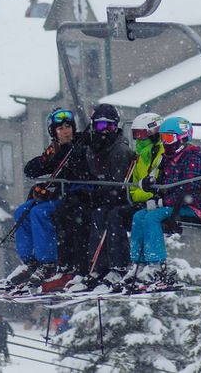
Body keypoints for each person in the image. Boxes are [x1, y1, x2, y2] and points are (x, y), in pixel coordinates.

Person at [0, 108, 86, 290]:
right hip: (57, 194)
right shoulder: (56, 150)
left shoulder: (79, 146)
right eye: (60, 129)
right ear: (54, 132)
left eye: (68, 127)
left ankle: (48, 262)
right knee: (22, 211)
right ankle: (29, 261)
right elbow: (31, 170)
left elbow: (74, 173)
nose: (66, 131)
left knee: (39, 212)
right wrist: (45, 160)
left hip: (73, 197)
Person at [126, 116, 201, 286]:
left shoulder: (194, 157)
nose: (166, 142)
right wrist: (150, 187)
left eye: (169, 138)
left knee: (151, 217)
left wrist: (163, 202)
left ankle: (157, 265)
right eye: (163, 138)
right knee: (139, 216)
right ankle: (139, 263)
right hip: (172, 204)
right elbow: (162, 182)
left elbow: (187, 187)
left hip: (190, 206)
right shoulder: (168, 157)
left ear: (183, 137)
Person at [65, 104, 134, 291]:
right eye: (100, 126)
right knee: (95, 214)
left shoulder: (119, 150)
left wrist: (101, 195)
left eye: (109, 126)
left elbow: (118, 185)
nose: (104, 131)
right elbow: (89, 173)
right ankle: (97, 266)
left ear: (116, 127)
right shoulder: (94, 148)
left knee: (110, 216)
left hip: (121, 199)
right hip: (104, 198)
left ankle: (119, 265)